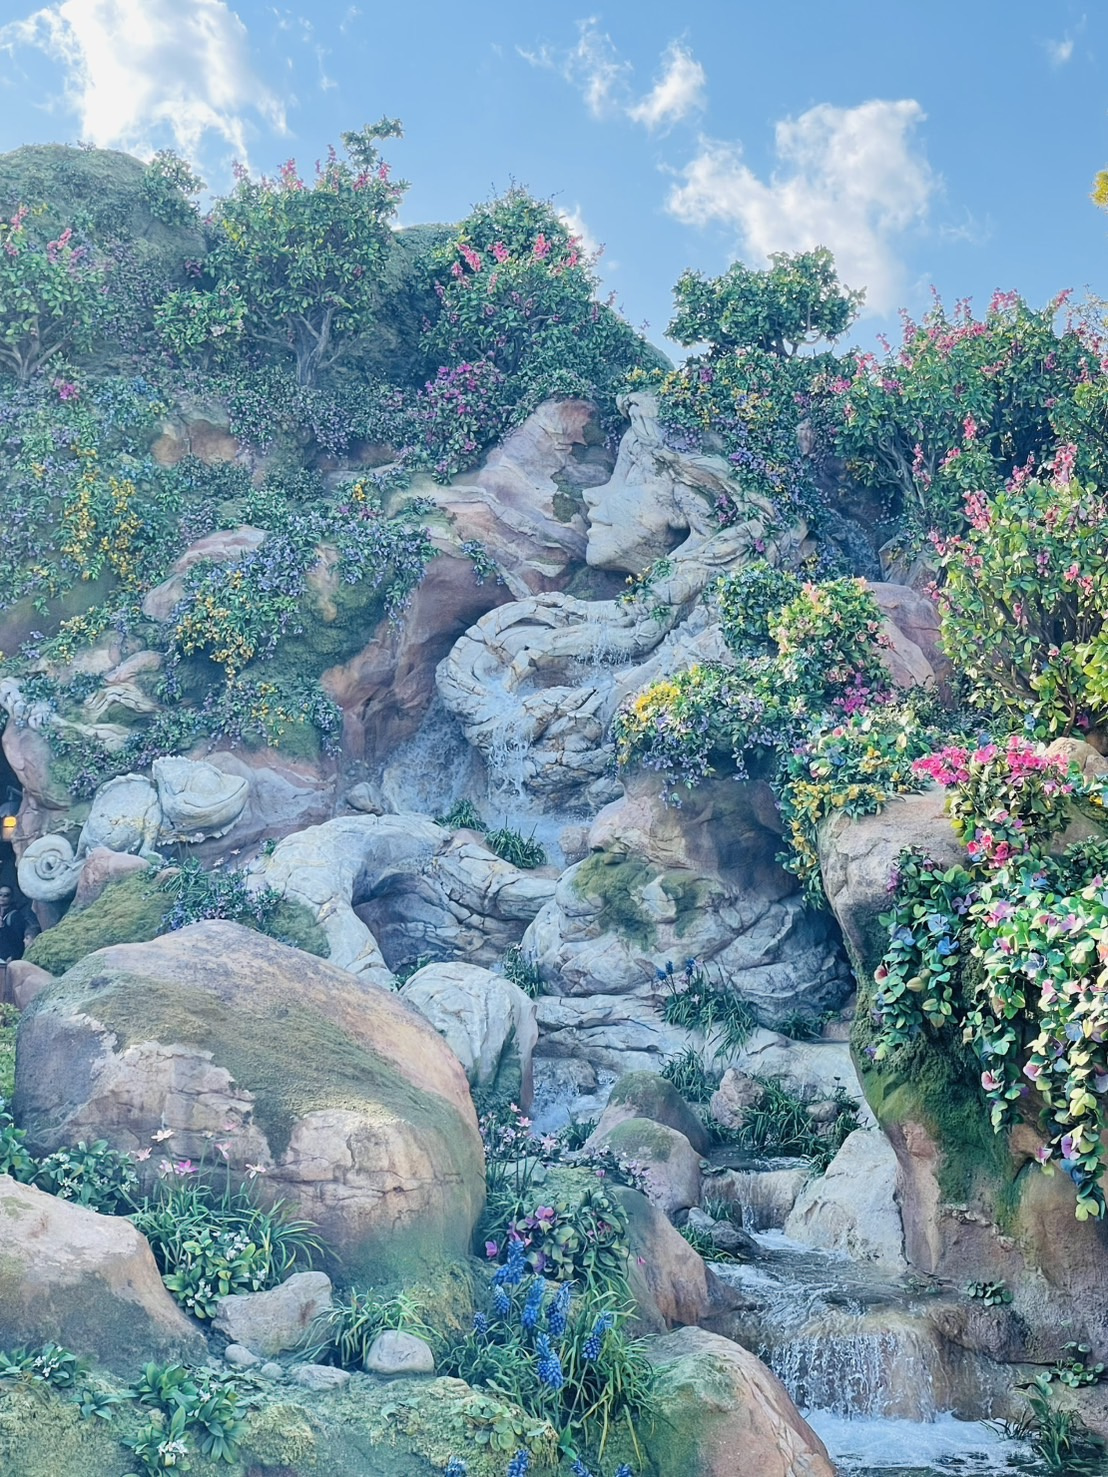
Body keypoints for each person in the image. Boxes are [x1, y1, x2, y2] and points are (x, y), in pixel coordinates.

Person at [0, 886, 35, 962]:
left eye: (6, 895)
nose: (2, 897)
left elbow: (18, 940)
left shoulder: (15, 916)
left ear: (11, 898)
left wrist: (13, 956)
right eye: (0, 894)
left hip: (7, 959)